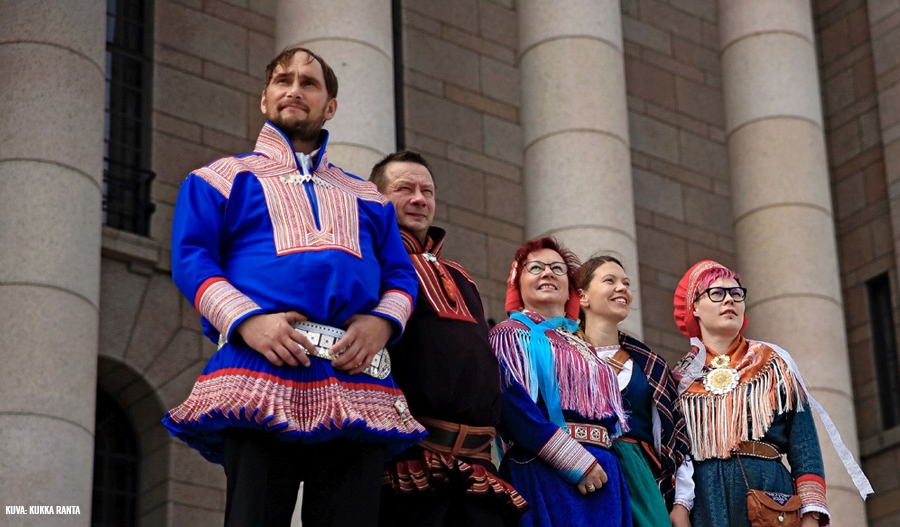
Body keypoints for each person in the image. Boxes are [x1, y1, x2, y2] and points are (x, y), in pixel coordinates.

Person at [161, 47, 426, 527]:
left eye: (310, 83)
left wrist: (382, 324)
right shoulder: (217, 179)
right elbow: (192, 258)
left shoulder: (370, 197)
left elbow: (401, 275)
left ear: (331, 107)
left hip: (357, 375)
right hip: (259, 365)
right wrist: (249, 321)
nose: (295, 89)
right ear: (265, 100)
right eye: (284, 80)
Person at [370, 151, 526, 526]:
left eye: (428, 191)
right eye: (404, 189)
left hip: (478, 469)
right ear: (377, 199)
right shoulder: (369, 262)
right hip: (411, 464)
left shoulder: (462, 277)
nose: (419, 199)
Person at [671, 260, 872, 527]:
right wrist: (680, 507)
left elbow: (804, 445)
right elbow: (676, 455)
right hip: (706, 500)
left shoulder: (774, 363)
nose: (729, 300)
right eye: (717, 293)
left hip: (770, 492)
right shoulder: (679, 379)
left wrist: (811, 515)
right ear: (693, 306)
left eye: (736, 293)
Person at [489, 236, 632, 527]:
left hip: (605, 475)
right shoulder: (509, 336)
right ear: (517, 284)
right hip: (545, 468)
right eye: (536, 267)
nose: (548, 273)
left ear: (571, 291)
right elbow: (514, 409)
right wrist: (573, 462)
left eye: (557, 268)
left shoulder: (584, 347)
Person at [577, 255, 693, 527]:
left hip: (638, 477)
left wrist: (680, 504)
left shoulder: (650, 365)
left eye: (626, 283)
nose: (622, 288)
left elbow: (675, 439)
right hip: (581, 473)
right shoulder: (562, 356)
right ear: (583, 297)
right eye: (610, 281)